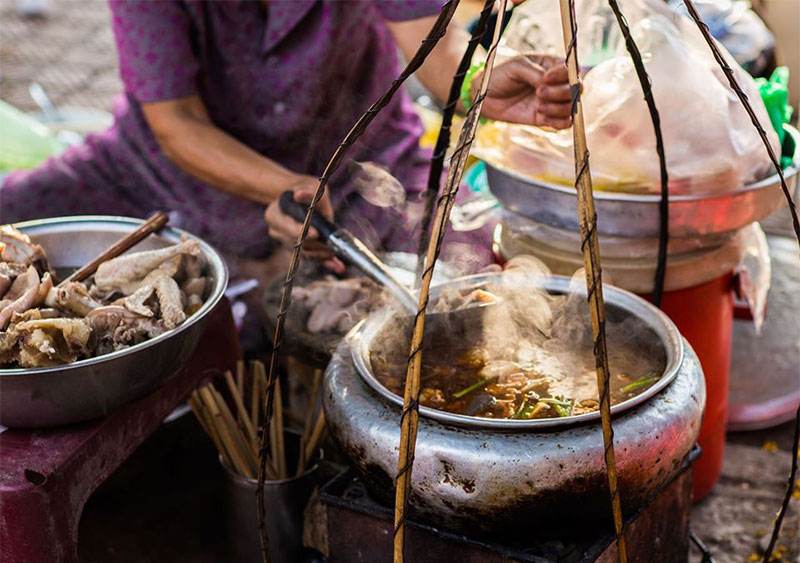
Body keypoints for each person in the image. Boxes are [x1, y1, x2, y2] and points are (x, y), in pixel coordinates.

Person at [1, 1, 571, 273]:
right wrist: (284, 185)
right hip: (158, 168)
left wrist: (478, 79)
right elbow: (176, 121)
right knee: (13, 218)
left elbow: (437, 47)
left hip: (358, 166)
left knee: (481, 266)